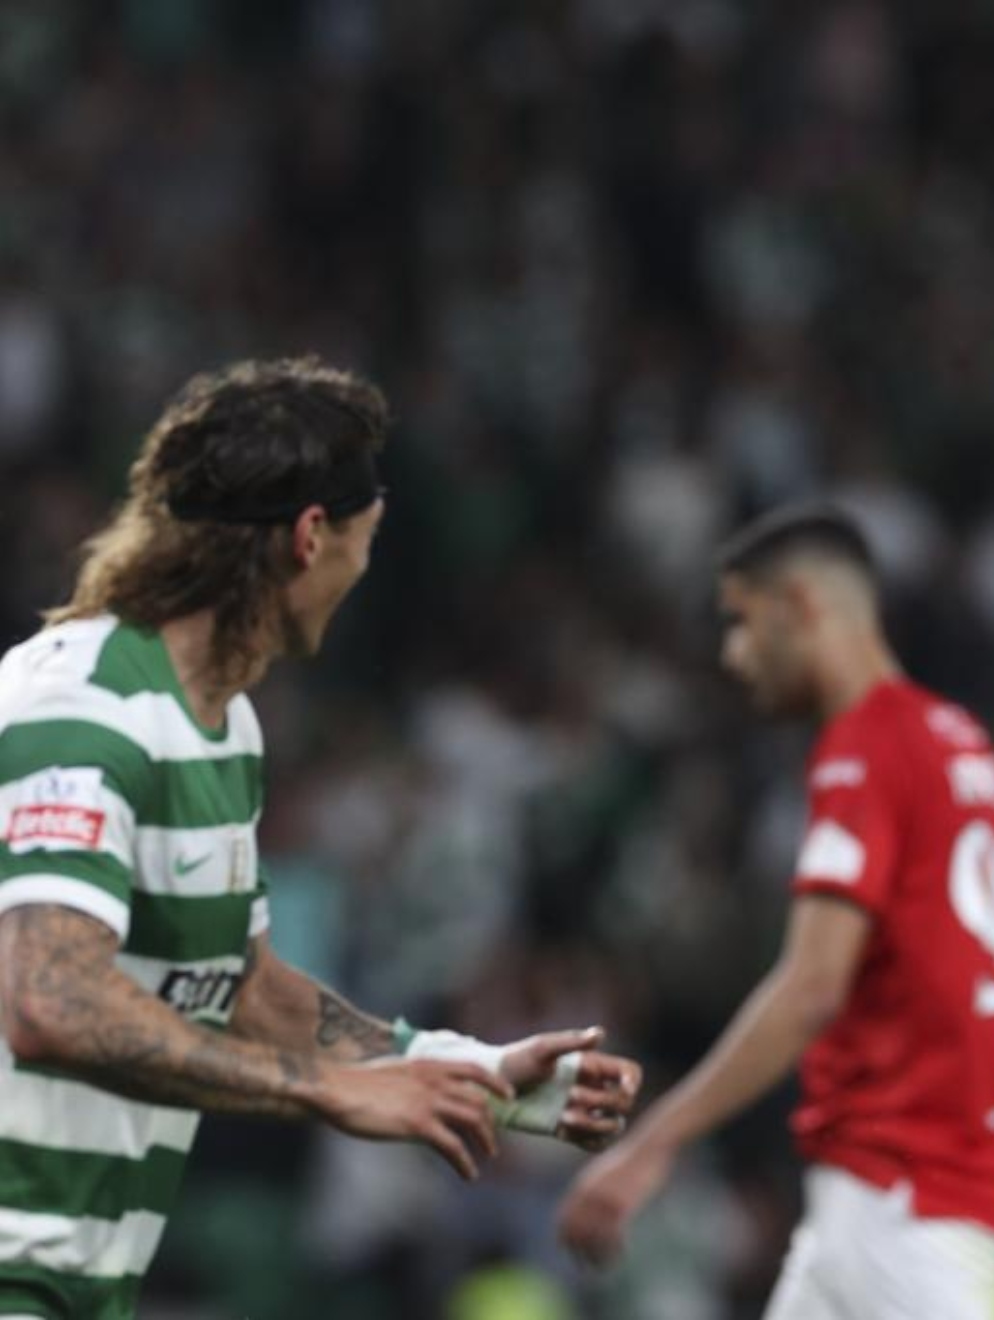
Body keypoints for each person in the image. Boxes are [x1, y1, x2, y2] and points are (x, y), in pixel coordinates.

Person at [0, 357, 642, 1319]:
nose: (363, 566)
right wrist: (323, 1093)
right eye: (366, 538)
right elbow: (46, 999)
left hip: (77, 1283)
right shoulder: (84, 705)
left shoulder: (222, 723)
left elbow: (249, 988)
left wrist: (481, 1075)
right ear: (310, 537)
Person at [555, 505, 994, 1320]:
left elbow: (812, 986)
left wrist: (650, 1145)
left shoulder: (863, 752)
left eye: (741, 622)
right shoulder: (969, 752)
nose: (732, 655)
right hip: (888, 1212)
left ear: (802, 606)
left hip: (905, 1217)